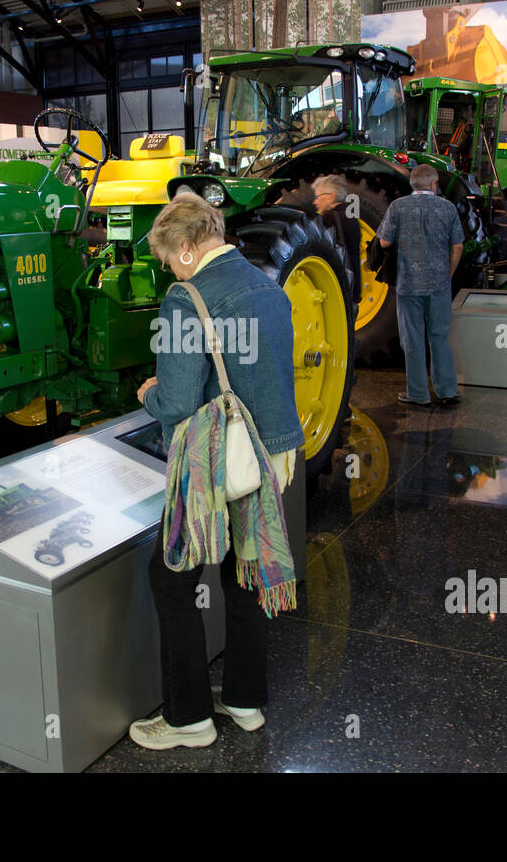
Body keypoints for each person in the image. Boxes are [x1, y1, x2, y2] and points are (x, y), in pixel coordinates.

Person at [133, 192, 302, 750]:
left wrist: (151, 394)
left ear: (185, 248)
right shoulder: (270, 287)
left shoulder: (187, 299)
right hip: (271, 455)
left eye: (166, 258)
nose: (166, 269)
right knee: (244, 573)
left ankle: (188, 720)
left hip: (218, 463)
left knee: (171, 576)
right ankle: (245, 702)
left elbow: (181, 401)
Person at [378, 163, 464, 408]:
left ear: (413, 184)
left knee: (412, 339)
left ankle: (418, 394)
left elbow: (384, 242)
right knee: (439, 337)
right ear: (434, 184)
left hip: (409, 284)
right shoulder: (447, 208)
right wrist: (448, 273)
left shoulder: (398, 207)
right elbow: (458, 246)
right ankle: (447, 390)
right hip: (439, 283)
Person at [312, 174, 360, 301]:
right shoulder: (351, 216)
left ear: (331, 196)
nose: (315, 202)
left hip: (337, 287)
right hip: (352, 284)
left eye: (318, 196)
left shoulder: (330, 218)